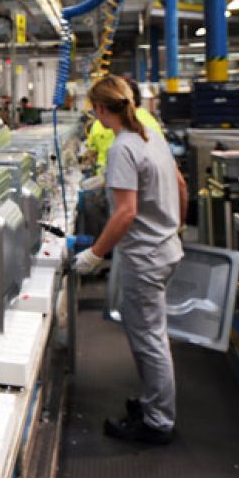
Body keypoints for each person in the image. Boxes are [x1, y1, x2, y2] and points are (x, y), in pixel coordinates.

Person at [73, 75, 187, 445]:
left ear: (101, 109)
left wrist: (94, 254)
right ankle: (154, 401)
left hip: (145, 257)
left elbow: (125, 213)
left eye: (94, 109)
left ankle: (158, 422)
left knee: (149, 339)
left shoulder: (122, 147)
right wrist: (175, 226)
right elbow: (181, 186)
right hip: (165, 247)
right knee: (151, 332)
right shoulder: (150, 135)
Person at [84, 77, 163, 175]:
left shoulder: (121, 148)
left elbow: (91, 154)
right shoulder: (151, 127)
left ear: (100, 108)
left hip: (107, 176)